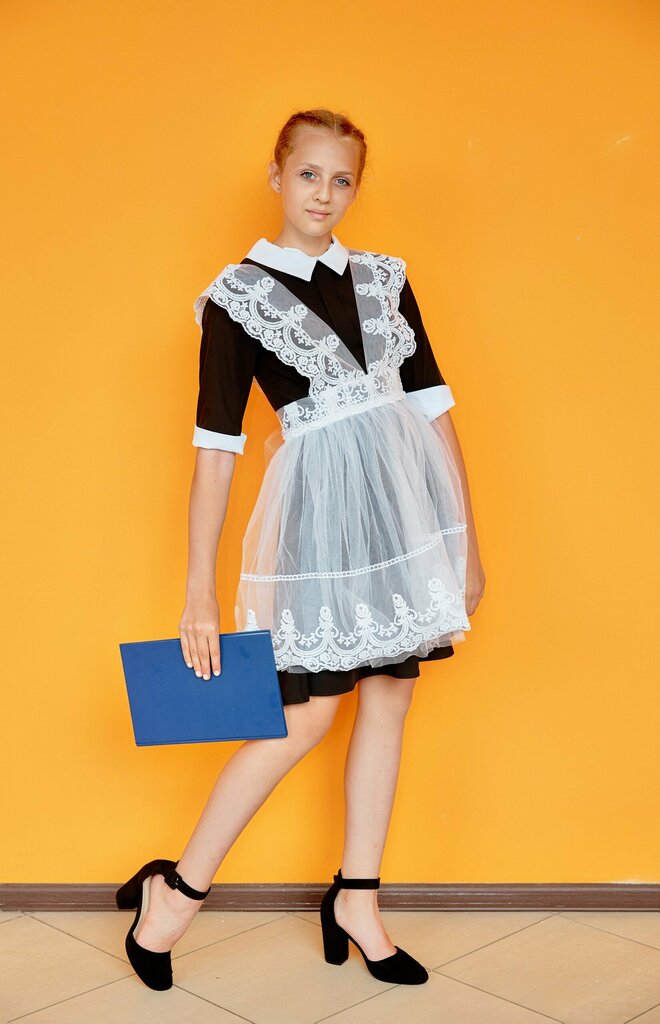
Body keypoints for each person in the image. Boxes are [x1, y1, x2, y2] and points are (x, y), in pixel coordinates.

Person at [115, 108, 486, 991]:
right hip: (319, 527)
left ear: (357, 187)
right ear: (277, 176)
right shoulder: (238, 296)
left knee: (390, 696)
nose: (325, 193)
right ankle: (175, 893)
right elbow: (216, 449)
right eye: (310, 174)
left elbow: (435, 411)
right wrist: (198, 591)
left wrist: (466, 542)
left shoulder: (385, 279)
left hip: (406, 518)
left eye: (342, 179)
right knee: (306, 717)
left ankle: (358, 899)